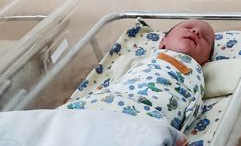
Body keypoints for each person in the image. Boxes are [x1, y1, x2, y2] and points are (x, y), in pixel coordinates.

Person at [64, 19, 214, 132]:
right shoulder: (145, 58)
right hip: (114, 99)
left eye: (205, 38)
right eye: (187, 27)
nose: (196, 31)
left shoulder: (198, 71)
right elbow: (119, 76)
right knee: (69, 118)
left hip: (152, 116)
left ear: (205, 60)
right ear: (163, 43)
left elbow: (194, 104)